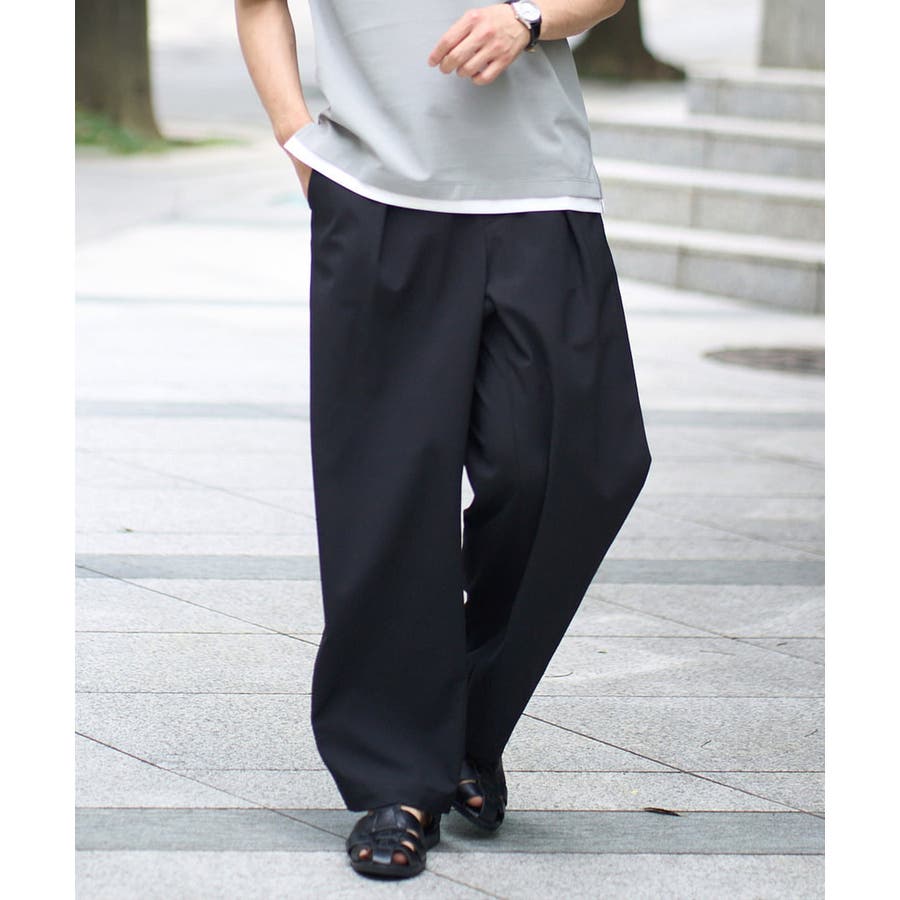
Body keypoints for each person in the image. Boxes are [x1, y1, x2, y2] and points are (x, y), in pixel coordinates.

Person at [235, 0, 650, 880]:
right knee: (388, 494)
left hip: (541, 191)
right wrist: (295, 137)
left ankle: (463, 721)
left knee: (575, 467)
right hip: (377, 196)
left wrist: (528, 18)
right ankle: (398, 780)